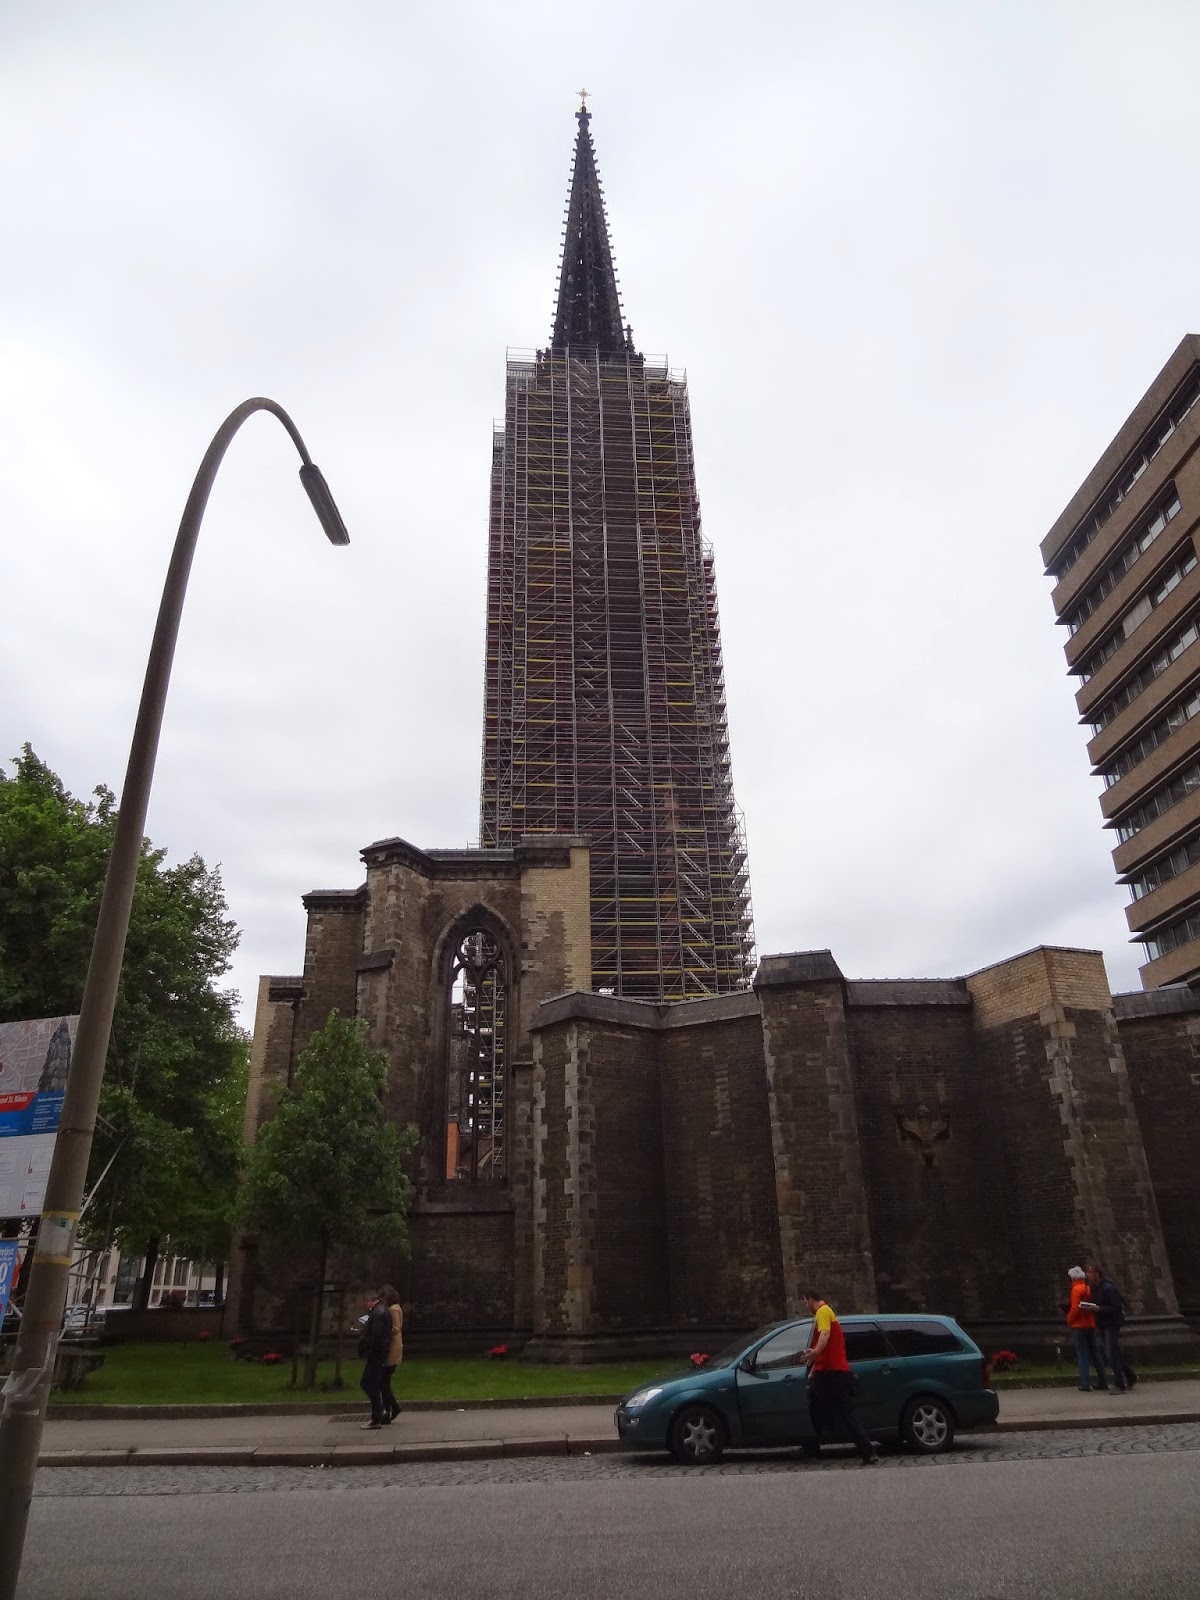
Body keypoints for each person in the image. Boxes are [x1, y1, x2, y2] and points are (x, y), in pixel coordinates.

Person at [799, 1291, 878, 1466]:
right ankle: (867, 1451)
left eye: (806, 1302)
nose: (806, 1306)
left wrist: (815, 1353)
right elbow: (829, 1346)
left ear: (811, 1300)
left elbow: (825, 1335)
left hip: (830, 1373)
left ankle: (811, 1448)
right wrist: (814, 1368)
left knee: (814, 1409)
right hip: (835, 1371)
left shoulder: (822, 1312)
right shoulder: (828, 1312)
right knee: (843, 1413)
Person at [1085, 1263, 1136, 1393]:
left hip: (1112, 1323)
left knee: (1111, 1353)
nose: (1087, 1275)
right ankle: (1130, 1376)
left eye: (1090, 1272)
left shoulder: (1108, 1288)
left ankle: (1119, 1384)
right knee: (1114, 1352)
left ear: (1097, 1274)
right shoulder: (1095, 1288)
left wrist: (1099, 1309)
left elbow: (1115, 1307)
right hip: (1103, 1323)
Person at [1066, 1266, 1108, 1392]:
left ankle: (1085, 1383)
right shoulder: (1088, 1288)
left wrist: (1069, 1319)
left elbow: (1075, 1308)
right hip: (1090, 1324)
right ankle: (1103, 1380)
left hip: (1079, 1325)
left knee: (1082, 1354)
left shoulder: (1075, 1289)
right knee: (1095, 1353)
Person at [358, 1287, 393, 1430]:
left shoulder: (377, 1313)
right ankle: (379, 1411)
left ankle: (377, 1415)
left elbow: (376, 1335)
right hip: (380, 1353)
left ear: (369, 1300)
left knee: (368, 1383)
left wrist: (368, 1348)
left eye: (365, 1303)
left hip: (376, 1354)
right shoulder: (383, 1310)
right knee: (370, 1383)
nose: (365, 1306)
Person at [380, 1283, 403, 1423]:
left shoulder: (393, 1309)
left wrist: (382, 1330)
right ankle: (388, 1410)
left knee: (384, 1381)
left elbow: (396, 1328)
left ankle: (392, 1408)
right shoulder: (395, 1307)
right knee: (384, 1381)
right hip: (394, 1346)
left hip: (392, 1348)